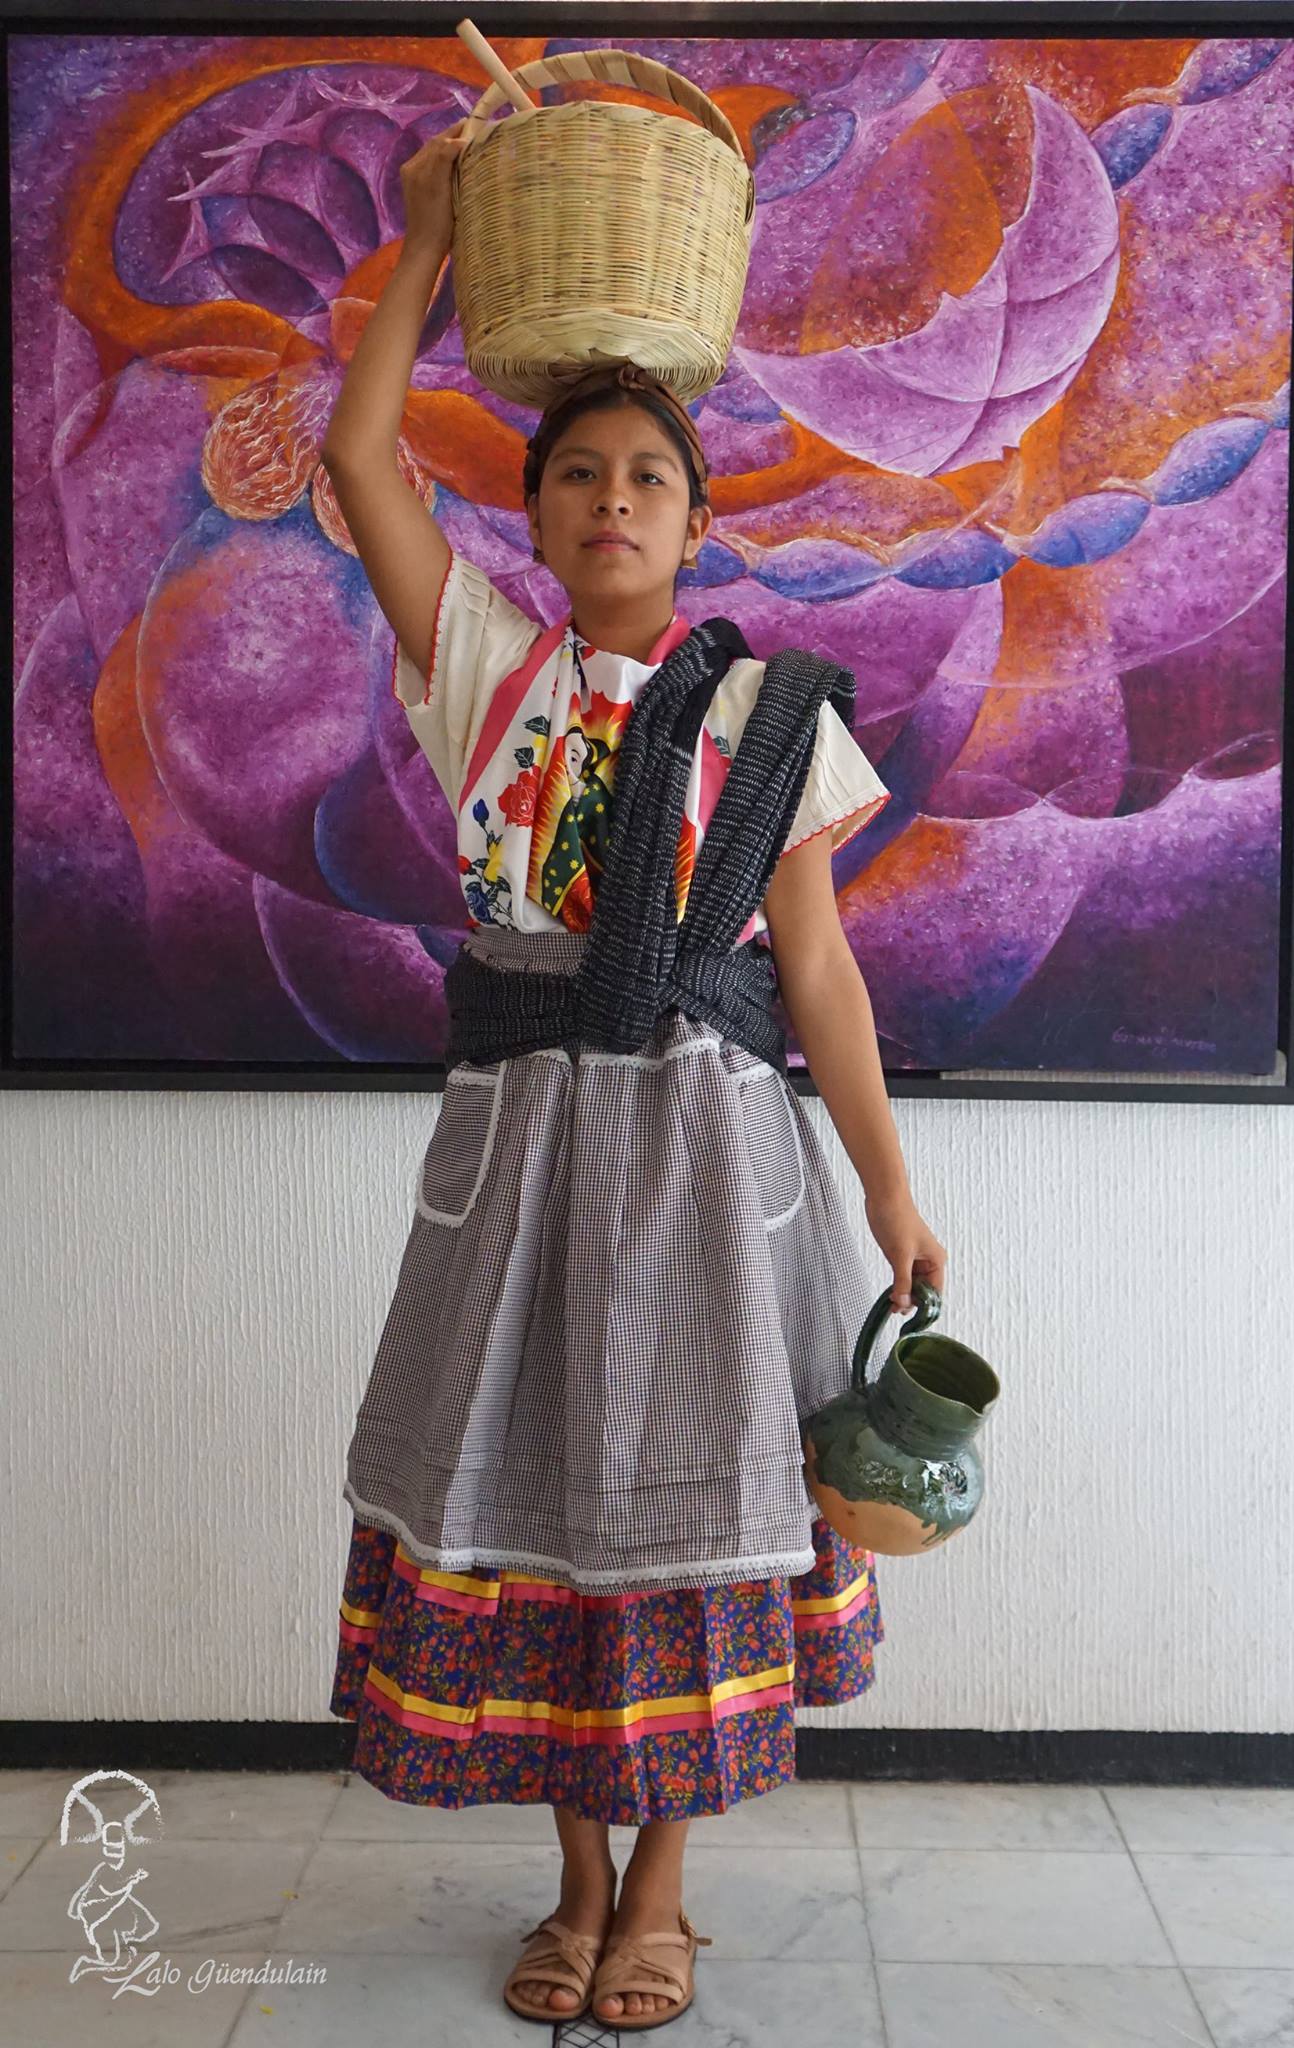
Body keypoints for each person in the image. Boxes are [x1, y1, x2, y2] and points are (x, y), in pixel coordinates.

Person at [320, 118, 948, 2031]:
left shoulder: (769, 716)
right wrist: (426, 246)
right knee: (543, 1513)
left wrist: (891, 1191)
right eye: (579, 475)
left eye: (647, 477)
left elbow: (813, 969)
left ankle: (661, 1897)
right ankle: (574, 1888)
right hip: (520, 1164)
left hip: (710, 1157)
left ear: (691, 521)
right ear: (532, 519)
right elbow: (358, 453)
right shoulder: (483, 677)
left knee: (694, 1516)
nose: (612, 499)